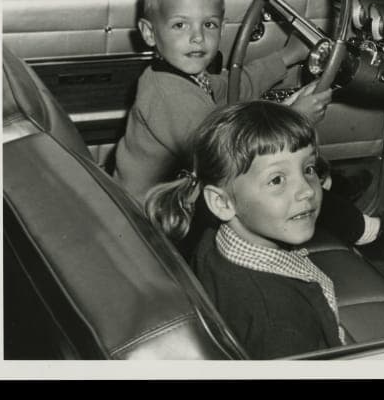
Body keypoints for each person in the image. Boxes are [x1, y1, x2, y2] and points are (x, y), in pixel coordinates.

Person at [112, 0, 384, 256]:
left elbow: (234, 87)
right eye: (180, 25)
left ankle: (329, 185)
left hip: (178, 193)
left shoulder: (186, 76)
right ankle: (370, 234)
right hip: (163, 222)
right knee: (284, 177)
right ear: (150, 33)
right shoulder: (168, 94)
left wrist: (286, 56)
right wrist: (295, 117)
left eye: (209, 24)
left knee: (290, 159)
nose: (198, 37)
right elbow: (229, 154)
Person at [145, 101, 345, 359]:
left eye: (308, 169)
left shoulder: (210, 240)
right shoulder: (281, 323)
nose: (307, 189)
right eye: (277, 180)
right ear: (222, 203)